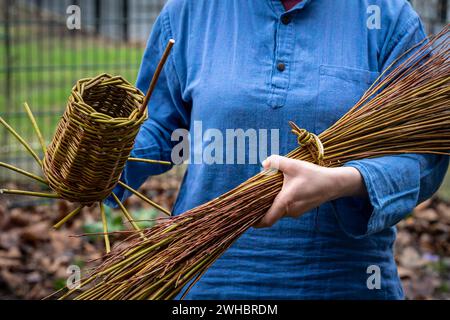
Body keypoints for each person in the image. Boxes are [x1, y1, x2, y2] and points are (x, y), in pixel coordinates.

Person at [106, 0, 449, 299]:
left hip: (343, 283)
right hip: (206, 278)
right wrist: (103, 160)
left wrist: (344, 181)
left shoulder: (388, 17)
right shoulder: (188, 12)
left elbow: (424, 158)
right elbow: (164, 128)